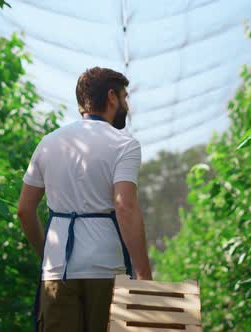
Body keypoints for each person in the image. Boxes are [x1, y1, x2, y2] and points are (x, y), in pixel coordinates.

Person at [17, 67, 153, 332]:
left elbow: (24, 210)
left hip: (58, 269)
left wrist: (46, 253)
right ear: (112, 97)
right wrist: (144, 275)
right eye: (125, 97)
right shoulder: (124, 145)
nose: (126, 105)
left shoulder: (48, 143)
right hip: (106, 268)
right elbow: (124, 206)